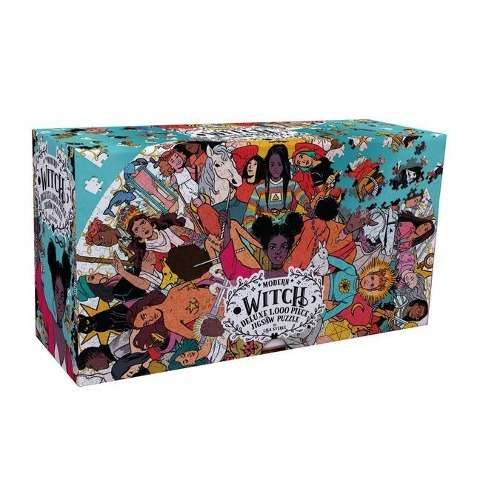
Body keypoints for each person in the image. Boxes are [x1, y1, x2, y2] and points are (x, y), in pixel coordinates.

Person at [243, 144, 313, 230]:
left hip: (286, 229)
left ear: (284, 165)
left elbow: (302, 198)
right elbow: (249, 214)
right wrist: (254, 230)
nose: (275, 168)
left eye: (279, 164)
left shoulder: (292, 185)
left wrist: (308, 207)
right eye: (272, 165)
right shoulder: (259, 189)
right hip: (266, 230)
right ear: (267, 166)